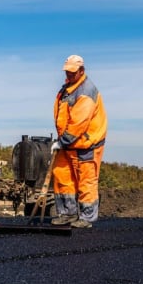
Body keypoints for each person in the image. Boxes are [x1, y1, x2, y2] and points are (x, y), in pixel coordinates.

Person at [50, 55, 108, 228]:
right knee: (62, 176)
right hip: (68, 143)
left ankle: (87, 218)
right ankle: (67, 213)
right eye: (67, 71)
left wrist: (63, 141)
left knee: (86, 181)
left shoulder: (86, 92)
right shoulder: (67, 89)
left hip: (85, 145)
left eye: (72, 72)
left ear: (81, 71)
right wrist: (63, 141)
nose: (69, 74)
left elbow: (78, 123)